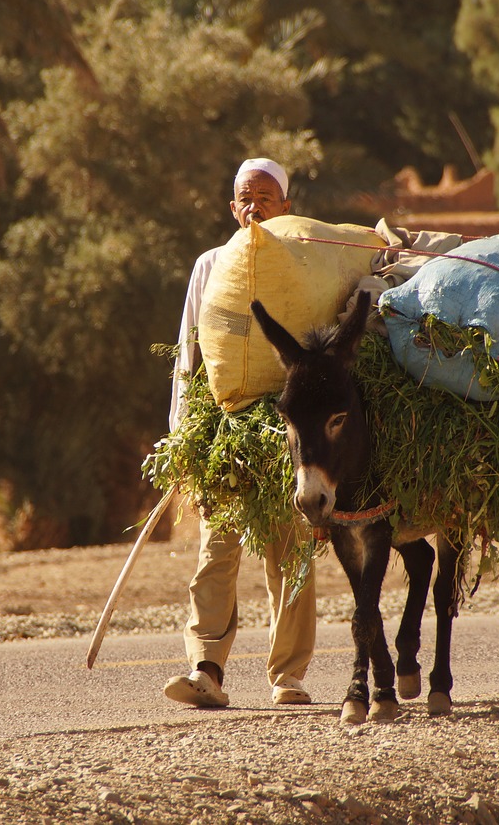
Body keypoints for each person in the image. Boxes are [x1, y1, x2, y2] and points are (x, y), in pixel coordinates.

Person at [163, 158, 316, 709]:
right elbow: (188, 352)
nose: (255, 207)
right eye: (245, 199)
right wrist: (183, 436)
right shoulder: (210, 266)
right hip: (225, 427)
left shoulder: (301, 263)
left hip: (286, 431)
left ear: (285, 208)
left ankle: (289, 676)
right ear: (232, 208)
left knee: (290, 551)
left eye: (266, 198)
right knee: (215, 551)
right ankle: (206, 669)